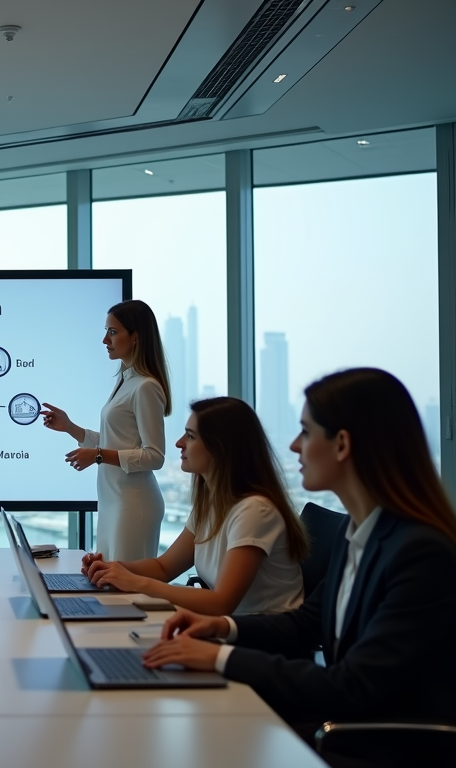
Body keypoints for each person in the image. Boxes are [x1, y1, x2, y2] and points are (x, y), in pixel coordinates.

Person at [142, 368, 456, 739]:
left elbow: (352, 686)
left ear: (342, 445)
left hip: (376, 745)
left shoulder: (420, 553)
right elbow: (305, 622)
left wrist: (220, 656)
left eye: (305, 432)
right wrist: (221, 627)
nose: (293, 446)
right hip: (340, 724)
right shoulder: (358, 533)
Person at [83, 397, 309, 615]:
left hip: (262, 641)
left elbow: (221, 603)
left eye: (190, 436)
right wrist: (110, 567)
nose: (179, 443)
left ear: (221, 447)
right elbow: (164, 568)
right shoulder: (213, 502)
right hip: (229, 630)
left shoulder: (255, 511)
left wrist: (136, 583)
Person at [41, 299, 170, 561]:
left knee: (123, 592)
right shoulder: (126, 380)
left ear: (135, 337)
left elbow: (154, 456)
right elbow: (119, 441)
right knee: (109, 584)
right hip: (114, 502)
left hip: (134, 505)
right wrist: (70, 427)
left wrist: (98, 455)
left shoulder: (145, 386)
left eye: (113, 332)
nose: (105, 340)